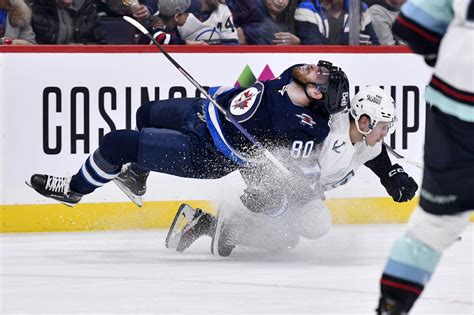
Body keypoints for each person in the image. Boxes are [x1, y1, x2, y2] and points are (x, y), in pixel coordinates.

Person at [27, 61, 350, 210]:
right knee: (145, 113)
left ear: (318, 95)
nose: (315, 67)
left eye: (321, 74)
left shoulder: (304, 125)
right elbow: (251, 93)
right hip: (201, 110)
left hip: (206, 151)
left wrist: (296, 192)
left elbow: (296, 167)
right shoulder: (292, 74)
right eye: (320, 67)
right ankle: (137, 177)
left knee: (116, 144)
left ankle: (72, 190)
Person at [166, 86, 418, 257]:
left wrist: (391, 175)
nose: (386, 134)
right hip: (270, 172)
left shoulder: (366, 141)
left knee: (285, 240)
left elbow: (375, 154)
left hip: (299, 187)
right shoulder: (330, 136)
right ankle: (222, 223)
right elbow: (286, 154)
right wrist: (269, 193)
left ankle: (211, 224)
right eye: (383, 126)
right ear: (364, 121)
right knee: (312, 224)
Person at [375, 0, 474, 314]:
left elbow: (412, 27)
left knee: (432, 227)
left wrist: (446, 55)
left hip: (455, 107)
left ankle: (391, 307)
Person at [295, 0, 379, 45]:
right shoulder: (307, 8)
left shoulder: (359, 8)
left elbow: (374, 43)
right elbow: (313, 47)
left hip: (357, 63)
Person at [28, 0, 106, 44]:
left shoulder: (88, 9)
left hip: (81, 61)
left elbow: (101, 44)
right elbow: (30, 44)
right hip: (46, 61)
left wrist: (81, 47)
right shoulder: (36, 9)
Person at [227, 0, 300, 45]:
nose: (280, 1)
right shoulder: (250, 6)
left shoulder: (289, 14)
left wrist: (297, 44)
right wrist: (235, 30)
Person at [140, 0, 207, 45]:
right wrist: (188, 43)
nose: (189, 15)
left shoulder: (173, 28)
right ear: (177, 17)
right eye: (186, 13)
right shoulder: (156, 24)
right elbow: (160, 37)